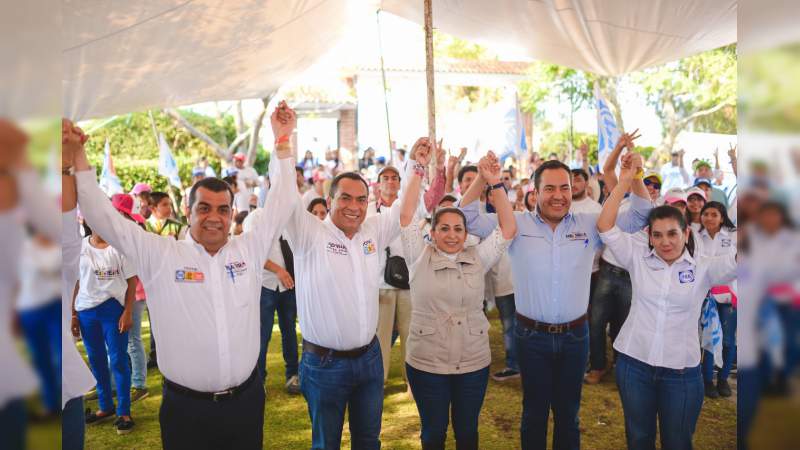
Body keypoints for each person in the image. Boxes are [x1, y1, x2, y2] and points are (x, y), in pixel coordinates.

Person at [63, 102, 296, 450]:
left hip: (245, 404)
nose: (213, 217)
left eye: (222, 209)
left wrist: (281, 143)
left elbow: (283, 200)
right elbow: (102, 217)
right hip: (186, 410)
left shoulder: (248, 248)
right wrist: (78, 157)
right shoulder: (160, 253)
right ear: (188, 212)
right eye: (204, 208)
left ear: (232, 213)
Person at [461, 150, 652, 449]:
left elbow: (641, 214)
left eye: (564, 187)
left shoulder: (591, 223)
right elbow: (468, 217)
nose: (558, 195)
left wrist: (635, 176)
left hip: (576, 337)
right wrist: (483, 179)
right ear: (535, 192)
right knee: (534, 414)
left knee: (569, 416)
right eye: (549, 188)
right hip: (530, 336)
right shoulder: (516, 223)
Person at [283, 135, 420, 450]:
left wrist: (414, 166)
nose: (354, 207)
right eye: (345, 198)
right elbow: (286, 201)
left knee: (369, 441)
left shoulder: (371, 231)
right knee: (326, 444)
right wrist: (282, 147)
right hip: (324, 364)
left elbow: (404, 210)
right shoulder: (309, 235)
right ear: (329, 201)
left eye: (361, 199)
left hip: (370, 359)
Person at [597, 157, 737, 450]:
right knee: (638, 439)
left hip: (682, 374)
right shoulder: (637, 258)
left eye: (673, 233)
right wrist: (626, 179)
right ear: (649, 236)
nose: (665, 242)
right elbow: (605, 225)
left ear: (686, 233)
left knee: (678, 442)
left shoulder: (704, 267)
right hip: (634, 365)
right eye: (657, 235)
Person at [399, 148, 516, 449]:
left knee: (467, 433)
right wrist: (416, 168)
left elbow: (508, 229)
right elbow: (407, 212)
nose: (451, 235)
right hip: (427, 364)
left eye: (458, 229)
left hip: (472, 363)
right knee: (433, 433)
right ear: (433, 233)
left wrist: (493, 183)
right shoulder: (417, 255)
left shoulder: (479, 257)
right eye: (444, 229)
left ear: (466, 234)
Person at [71, 193, 138, 434]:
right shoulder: (79, 248)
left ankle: (124, 412)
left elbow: (132, 280)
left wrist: (128, 311)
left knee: (118, 360)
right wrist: (73, 314)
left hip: (113, 310)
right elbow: (75, 283)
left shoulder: (119, 246)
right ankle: (104, 406)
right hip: (86, 311)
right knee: (97, 361)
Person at [242, 213, 301, 395]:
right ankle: (259, 381)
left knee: (289, 331)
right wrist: (278, 270)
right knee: (262, 335)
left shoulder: (288, 217)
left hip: (288, 285)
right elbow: (252, 251)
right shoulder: (256, 218)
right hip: (264, 285)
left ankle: (293, 375)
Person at [367, 164, 413, 386]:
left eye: (395, 177)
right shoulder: (369, 211)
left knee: (410, 333)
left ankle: (411, 378)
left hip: (407, 280)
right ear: (378, 184)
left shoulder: (408, 207)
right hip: (380, 281)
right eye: (385, 177)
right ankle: (379, 379)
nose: (391, 181)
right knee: (381, 336)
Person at [15, 231, 62, 418]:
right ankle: (50, 404)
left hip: (53, 307)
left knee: (59, 356)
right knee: (40, 358)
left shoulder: (59, 248)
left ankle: (64, 401)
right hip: (28, 310)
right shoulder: (24, 247)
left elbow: (51, 270)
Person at [695, 201, 737, 399]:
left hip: (729, 295)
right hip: (706, 295)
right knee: (709, 339)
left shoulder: (734, 236)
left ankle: (723, 379)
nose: (709, 218)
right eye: (706, 214)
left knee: (728, 341)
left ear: (722, 217)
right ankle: (707, 381)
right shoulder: (695, 235)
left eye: (714, 214)